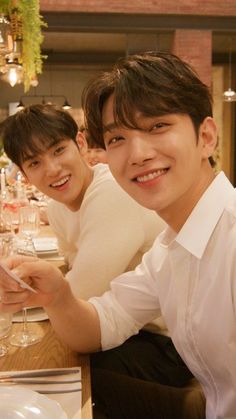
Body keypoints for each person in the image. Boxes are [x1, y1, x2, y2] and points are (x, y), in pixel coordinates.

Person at [0, 50, 231, 418]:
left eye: (157, 126)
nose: (137, 153)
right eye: (118, 138)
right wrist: (57, 295)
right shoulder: (170, 247)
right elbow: (101, 324)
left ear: (206, 136)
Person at [1, 104, 166, 300]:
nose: (53, 169)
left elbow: (82, 292)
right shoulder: (56, 209)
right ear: (24, 175)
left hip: (158, 327)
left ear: (80, 143)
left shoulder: (112, 190)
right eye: (35, 163)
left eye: (58, 150)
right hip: (113, 319)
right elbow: (73, 266)